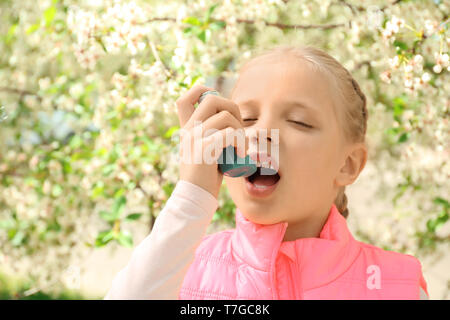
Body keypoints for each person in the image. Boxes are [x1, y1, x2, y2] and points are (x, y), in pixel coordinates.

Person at [104, 45, 429, 300]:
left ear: (347, 165)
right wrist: (191, 197)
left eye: (299, 121)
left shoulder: (397, 285)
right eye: (246, 119)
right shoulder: (181, 266)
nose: (262, 132)